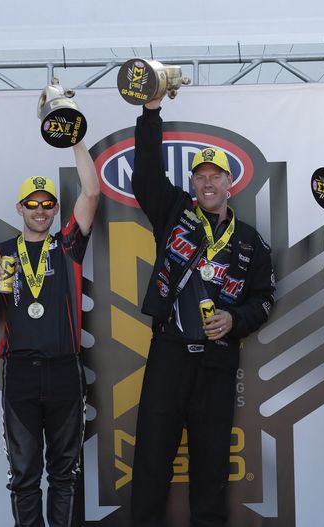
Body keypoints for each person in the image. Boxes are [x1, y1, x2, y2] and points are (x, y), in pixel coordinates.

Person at [129, 96, 276, 527]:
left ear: (231, 183)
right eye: (201, 176)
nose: (208, 183)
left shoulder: (251, 241)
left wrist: (235, 321)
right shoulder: (174, 213)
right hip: (170, 354)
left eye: (216, 176)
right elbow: (147, 177)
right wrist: (151, 113)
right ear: (193, 183)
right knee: (152, 461)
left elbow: (265, 299)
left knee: (212, 469)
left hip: (217, 361)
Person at [0, 142, 99, 527]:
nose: (40, 210)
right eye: (32, 204)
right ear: (19, 209)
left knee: (64, 474)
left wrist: (74, 138)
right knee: (24, 478)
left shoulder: (68, 246)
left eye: (47, 204)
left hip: (65, 370)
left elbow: (91, 192)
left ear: (56, 210)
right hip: (20, 374)